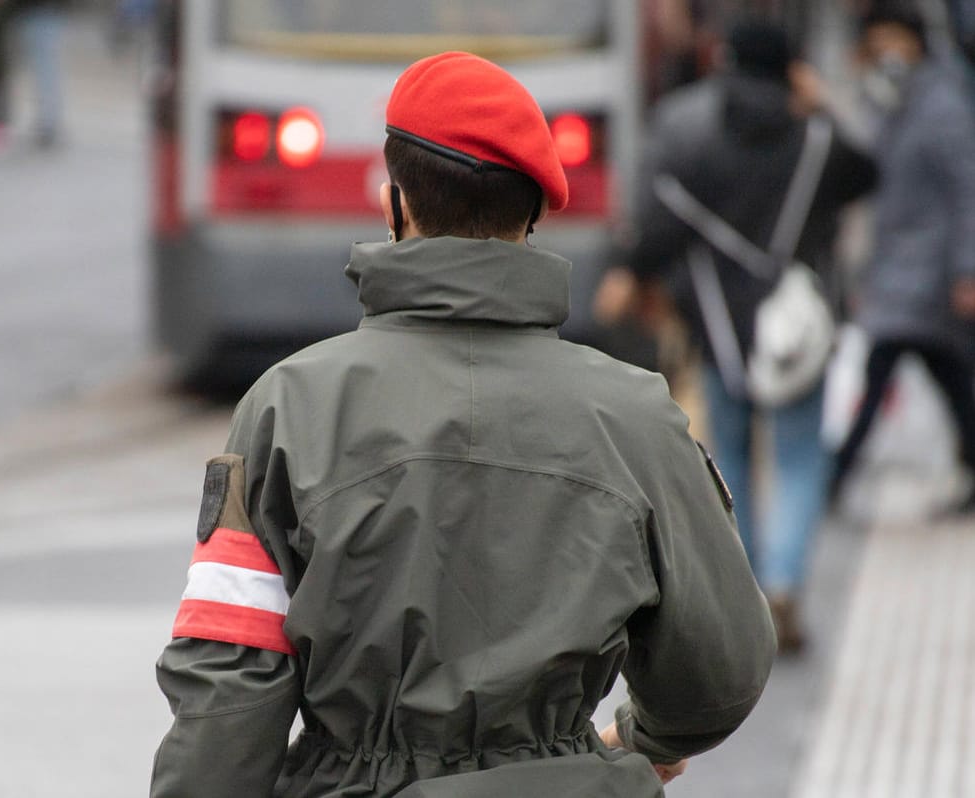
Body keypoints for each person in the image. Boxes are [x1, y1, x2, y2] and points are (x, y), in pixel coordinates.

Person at [151, 51, 777, 797]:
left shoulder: (287, 408)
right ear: (533, 218)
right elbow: (721, 669)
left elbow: (227, 692)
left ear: (395, 206)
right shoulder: (636, 415)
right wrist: (637, 741)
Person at [594, 20, 876, 654]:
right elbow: (868, 173)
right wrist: (823, 100)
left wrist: (629, 274)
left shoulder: (692, 137)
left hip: (718, 325)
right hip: (798, 333)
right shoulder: (817, 139)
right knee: (801, 457)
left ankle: (748, 591)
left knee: (735, 462)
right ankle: (784, 585)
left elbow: (659, 226)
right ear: (791, 71)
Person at [830, 5, 975, 514]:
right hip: (898, 268)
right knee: (951, 379)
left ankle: (836, 476)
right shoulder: (888, 98)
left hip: (931, 270)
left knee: (895, 372)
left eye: (895, 40)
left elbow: (966, 190)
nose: (888, 53)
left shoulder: (943, 104)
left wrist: (967, 269)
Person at [0, 0, 64, 155]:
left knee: (43, 68)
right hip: (20, 14)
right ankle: (43, 122)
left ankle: (47, 123)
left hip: (39, 12)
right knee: (36, 68)